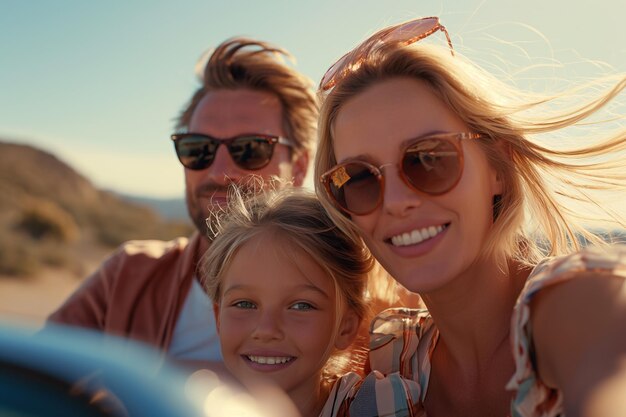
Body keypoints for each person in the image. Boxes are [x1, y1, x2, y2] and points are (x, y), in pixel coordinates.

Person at [314, 16, 626, 417]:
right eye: (358, 178)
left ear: (498, 167)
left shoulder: (577, 300)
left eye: (429, 158)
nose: (395, 201)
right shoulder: (392, 361)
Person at [46, 37, 318, 367]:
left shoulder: (352, 302)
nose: (219, 172)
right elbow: (33, 385)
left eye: (250, 148)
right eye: (198, 148)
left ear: (300, 165)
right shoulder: (128, 277)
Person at [201, 183, 420, 417]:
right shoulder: (193, 405)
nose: (266, 330)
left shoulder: (378, 407)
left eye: (300, 306)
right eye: (244, 304)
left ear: (346, 326)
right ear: (218, 317)